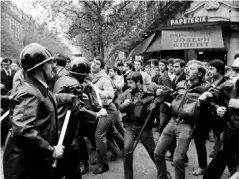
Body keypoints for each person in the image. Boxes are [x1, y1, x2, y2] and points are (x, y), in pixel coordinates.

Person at [3, 43, 74, 179]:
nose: (53, 66)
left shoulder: (37, 88)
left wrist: (69, 97)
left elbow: (50, 99)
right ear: (39, 67)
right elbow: (23, 131)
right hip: (26, 167)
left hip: (35, 161)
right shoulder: (29, 92)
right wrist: (51, 151)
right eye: (49, 63)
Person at [154, 60, 211, 179]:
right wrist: (162, 93)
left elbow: (215, 93)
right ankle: (162, 177)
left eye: (192, 69)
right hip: (172, 121)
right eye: (187, 68)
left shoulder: (206, 87)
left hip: (187, 125)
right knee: (158, 153)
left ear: (200, 73)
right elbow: (175, 95)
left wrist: (208, 96)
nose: (187, 70)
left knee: (178, 159)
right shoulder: (180, 83)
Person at [201, 54, 239, 179]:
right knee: (216, 167)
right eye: (234, 70)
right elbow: (216, 91)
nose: (234, 74)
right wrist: (216, 105)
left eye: (238, 71)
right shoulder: (231, 83)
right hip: (232, 130)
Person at [116, 72, 157, 179]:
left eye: (130, 83)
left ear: (138, 82)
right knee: (127, 149)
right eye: (127, 82)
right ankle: (128, 177)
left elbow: (165, 92)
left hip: (145, 128)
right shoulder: (127, 93)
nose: (128, 85)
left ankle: (163, 173)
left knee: (154, 152)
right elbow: (118, 104)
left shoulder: (150, 90)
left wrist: (156, 102)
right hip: (130, 127)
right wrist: (123, 105)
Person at [193, 59, 227, 176]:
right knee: (198, 138)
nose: (209, 71)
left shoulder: (227, 82)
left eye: (212, 69)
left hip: (220, 118)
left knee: (225, 144)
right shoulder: (208, 81)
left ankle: (233, 168)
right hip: (206, 116)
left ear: (220, 71)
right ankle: (203, 166)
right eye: (209, 68)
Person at [91, 56, 124, 174]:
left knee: (99, 135)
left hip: (108, 109)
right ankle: (124, 148)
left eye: (97, 63)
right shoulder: (91, 77)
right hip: (100, 109)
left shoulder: (104, 78)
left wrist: (97, 92)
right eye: (93, 62)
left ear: (102, 67)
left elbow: (111, 94)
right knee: (111, 131)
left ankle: (103, 164)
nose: (93, 65)